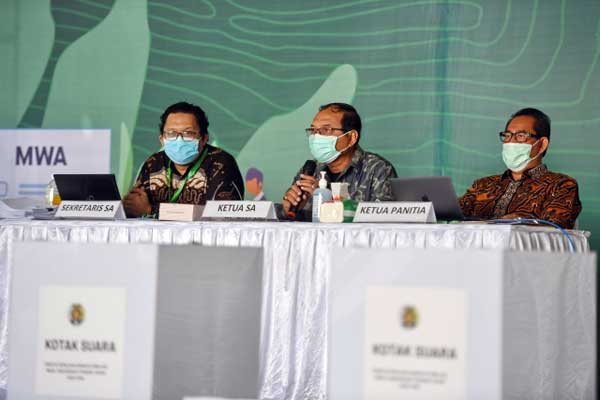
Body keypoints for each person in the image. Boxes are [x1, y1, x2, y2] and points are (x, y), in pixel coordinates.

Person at [459, 108, 581, 229]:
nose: (511, 142)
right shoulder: (482, 185)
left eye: (521, 136)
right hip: (475, 248)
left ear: (542, 144)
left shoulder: (561, 185)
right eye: (507, 136)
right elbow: (451, 218)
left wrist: (517, 221)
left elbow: (554, 228)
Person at [123, 101, 244, 217]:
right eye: (171, 133)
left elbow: (223, 214)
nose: (179, 139)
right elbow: (135, 206)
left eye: (188, 133)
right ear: (162, 139)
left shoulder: (221, 163)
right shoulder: (153, 163)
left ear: (204, 138)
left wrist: (151, 210)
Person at [282, 103, 397, 218]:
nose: (316, 136)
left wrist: (329, 202)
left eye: (326, 129)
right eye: (313, 130)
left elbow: (384, 223)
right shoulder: (310, 170)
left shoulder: (378, 169)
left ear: (352, 137)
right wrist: (291, 210)